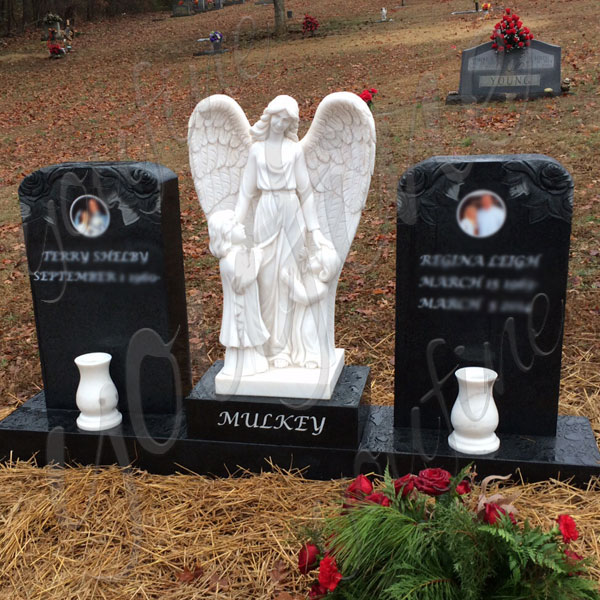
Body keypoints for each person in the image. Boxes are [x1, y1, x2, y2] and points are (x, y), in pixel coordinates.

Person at [234, 95, 334, 369]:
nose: (280, 123)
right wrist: (235, 223)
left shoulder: (294, 151)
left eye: (286, 119)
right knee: (266, 281)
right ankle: (269, 346)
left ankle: (285, 350)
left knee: (287, 277)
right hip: (266, 211)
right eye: (278, 116)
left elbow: (306, 192)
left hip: (291, 212)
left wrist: (314, 231)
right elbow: (246, 191)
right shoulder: (256, 151)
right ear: (270, 116)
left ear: (291, 123)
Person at [208, 210, 269, 377]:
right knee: (242, 336)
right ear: (226, 234)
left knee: (248, 335)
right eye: (236, 224)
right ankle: (243, 366)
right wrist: (256, 255)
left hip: (247, 305)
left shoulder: (238, 253)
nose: (242, 226)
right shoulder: (228, 259)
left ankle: (253, 362)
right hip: (239, 309)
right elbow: (243, 280)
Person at [282, 245, 341, 369]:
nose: (312, 259)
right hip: (302, 315)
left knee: (308, 335)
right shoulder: (311, 277)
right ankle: (302, 356)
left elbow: (304, 298)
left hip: (312, 321)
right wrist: (305, 259)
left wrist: (289, 280)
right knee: (299, 333)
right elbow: (305, 273)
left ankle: (314, 358)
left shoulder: (322, 287)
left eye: (316, 259)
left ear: (324, 270)